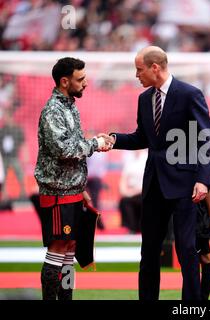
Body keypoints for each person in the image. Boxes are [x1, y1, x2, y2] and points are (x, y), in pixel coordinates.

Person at [106, 46, 210, 301]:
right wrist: (113, 139)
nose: (136, 75)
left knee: (187, 250)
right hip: (154, 184)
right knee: (149, 250)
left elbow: (206, 139)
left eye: (139, 69)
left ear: (155, 67)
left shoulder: (189, 94)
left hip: (186, 184)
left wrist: (203, 180)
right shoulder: (144, 99)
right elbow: (141, 137)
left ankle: (191, 305)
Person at [34, 57, 112, 300]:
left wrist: (82, 187)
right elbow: (63, 149)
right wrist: (95, 144)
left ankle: (66, 299)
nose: (86, 83)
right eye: (81, 79)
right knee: (58, 247)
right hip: (57, 192)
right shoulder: (53, 110)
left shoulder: (69, 106)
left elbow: (72, 148)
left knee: (70, 248)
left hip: (71, 190)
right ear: (64, 81)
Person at [118, 149, 148, 234]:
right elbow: (124, 179)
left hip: (144, 192)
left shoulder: (147, 158)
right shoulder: (129, 160)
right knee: (124, 201)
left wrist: (133, 192)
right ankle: (131, 227)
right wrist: (125, 192)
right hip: (131, 192)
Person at [0, 111, 27, 200]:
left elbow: (23, 144)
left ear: (11, 117)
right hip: (4, 157)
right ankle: (4, 194)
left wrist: (26, 156)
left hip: (14, 157)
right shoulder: (2, 130)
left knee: (20, 175)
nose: (5, 119)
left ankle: (23, 193)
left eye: (7, 117)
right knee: (3, 177)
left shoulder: (17, 129)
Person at [196, 190, 210, 301]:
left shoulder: (201, 172)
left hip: (198, 218)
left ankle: (202, 297)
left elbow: (207, 190)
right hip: (190, 216)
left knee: (204, 257)